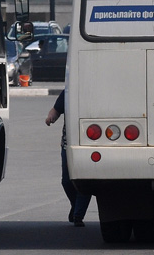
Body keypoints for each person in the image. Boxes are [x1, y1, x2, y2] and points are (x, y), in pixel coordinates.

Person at [46, 88, 91, 226]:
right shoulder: (69, 91)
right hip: (68, 144)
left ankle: (78, 215)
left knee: (85, 181)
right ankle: (75, 205)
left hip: (90, 143)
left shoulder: (96, 91)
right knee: (66, 181)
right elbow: (56, 110)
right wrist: (50, 118)